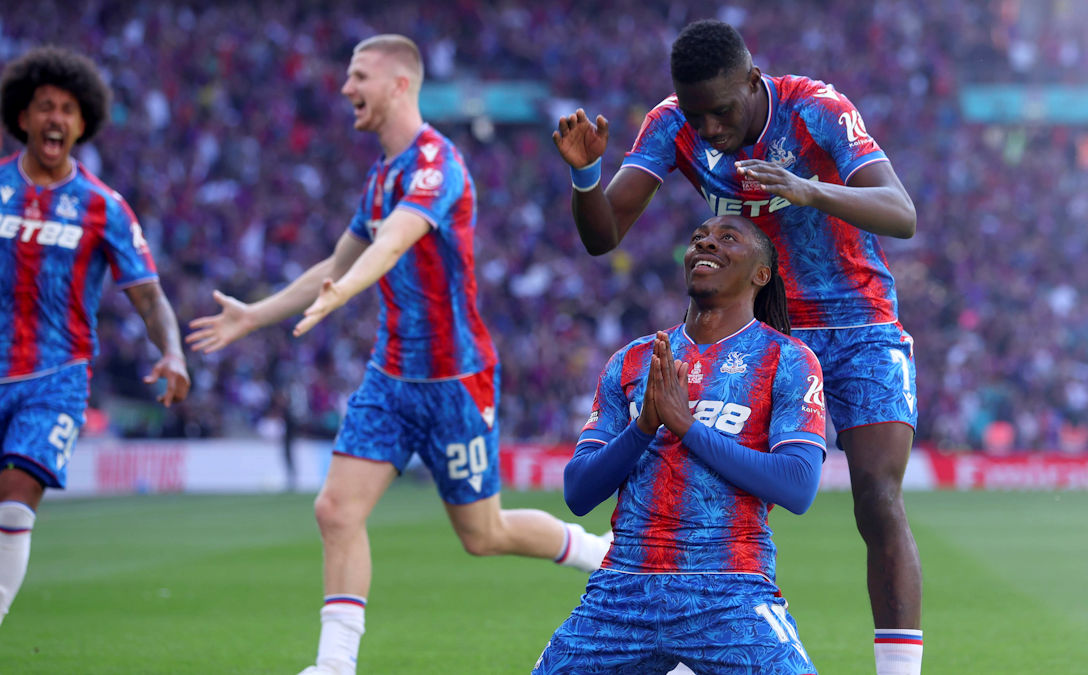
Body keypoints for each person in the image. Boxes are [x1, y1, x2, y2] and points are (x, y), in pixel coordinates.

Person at [186, 34, 610, 675]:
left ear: (399, 84)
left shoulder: (437, 162)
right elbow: (337, 263)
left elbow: (392, 243)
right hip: (390, 378)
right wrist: (256, 314)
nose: (346, 88)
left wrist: (345, 291)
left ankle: (602, 554)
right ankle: (334, 664)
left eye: (359, 75)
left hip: (455, 380)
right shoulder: (382, 176)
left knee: (483, 534)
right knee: (335, 509)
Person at [553, 19, 923, 675]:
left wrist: (808, 190)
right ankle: (690, 634)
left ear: (753, 81)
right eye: (698, 115)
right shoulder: (671, 123)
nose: (710, 128)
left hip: (857, 320)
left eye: (722, 111)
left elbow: (901, 211)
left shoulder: (817, 108)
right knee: (707, 486)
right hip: (765, 329)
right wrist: (586, 177)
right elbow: (603, 235)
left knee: (876, 494)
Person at [0, 46, 191, 675]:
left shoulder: (104, 206)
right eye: (46, 107)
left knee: (16, 498)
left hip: (58, 377)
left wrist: (172, 351)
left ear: (83, 124)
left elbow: (149, 295)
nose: (57, 118)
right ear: (22, 117)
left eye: (69, 110)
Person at [534, 214, 826, 674]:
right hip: (622, 592)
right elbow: (578, 491)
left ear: (761, 274)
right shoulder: (633, 360)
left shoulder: (787, 359)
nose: (706, 244)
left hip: (730, 590)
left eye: (727, 238)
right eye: (698, 238)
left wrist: (687, 427)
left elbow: (798, 486)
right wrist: (643, 428)